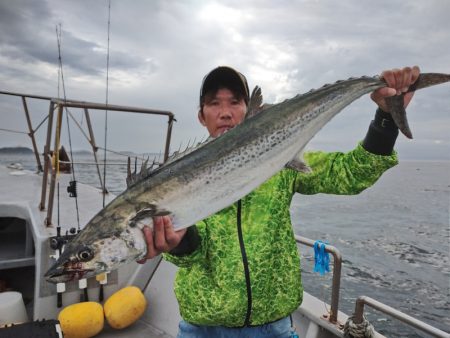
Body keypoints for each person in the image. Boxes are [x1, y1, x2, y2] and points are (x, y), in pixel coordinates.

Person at [139, 65, 420, 337]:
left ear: (249, 109)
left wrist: (386, 118)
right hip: (201, 327)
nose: (225, 112)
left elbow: (350, 173)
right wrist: (182, 244)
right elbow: (192, 255)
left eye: (235, 102)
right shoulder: (179, 180)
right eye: (214, 103)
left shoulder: (280, 159)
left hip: (272, 327)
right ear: (202, 116)